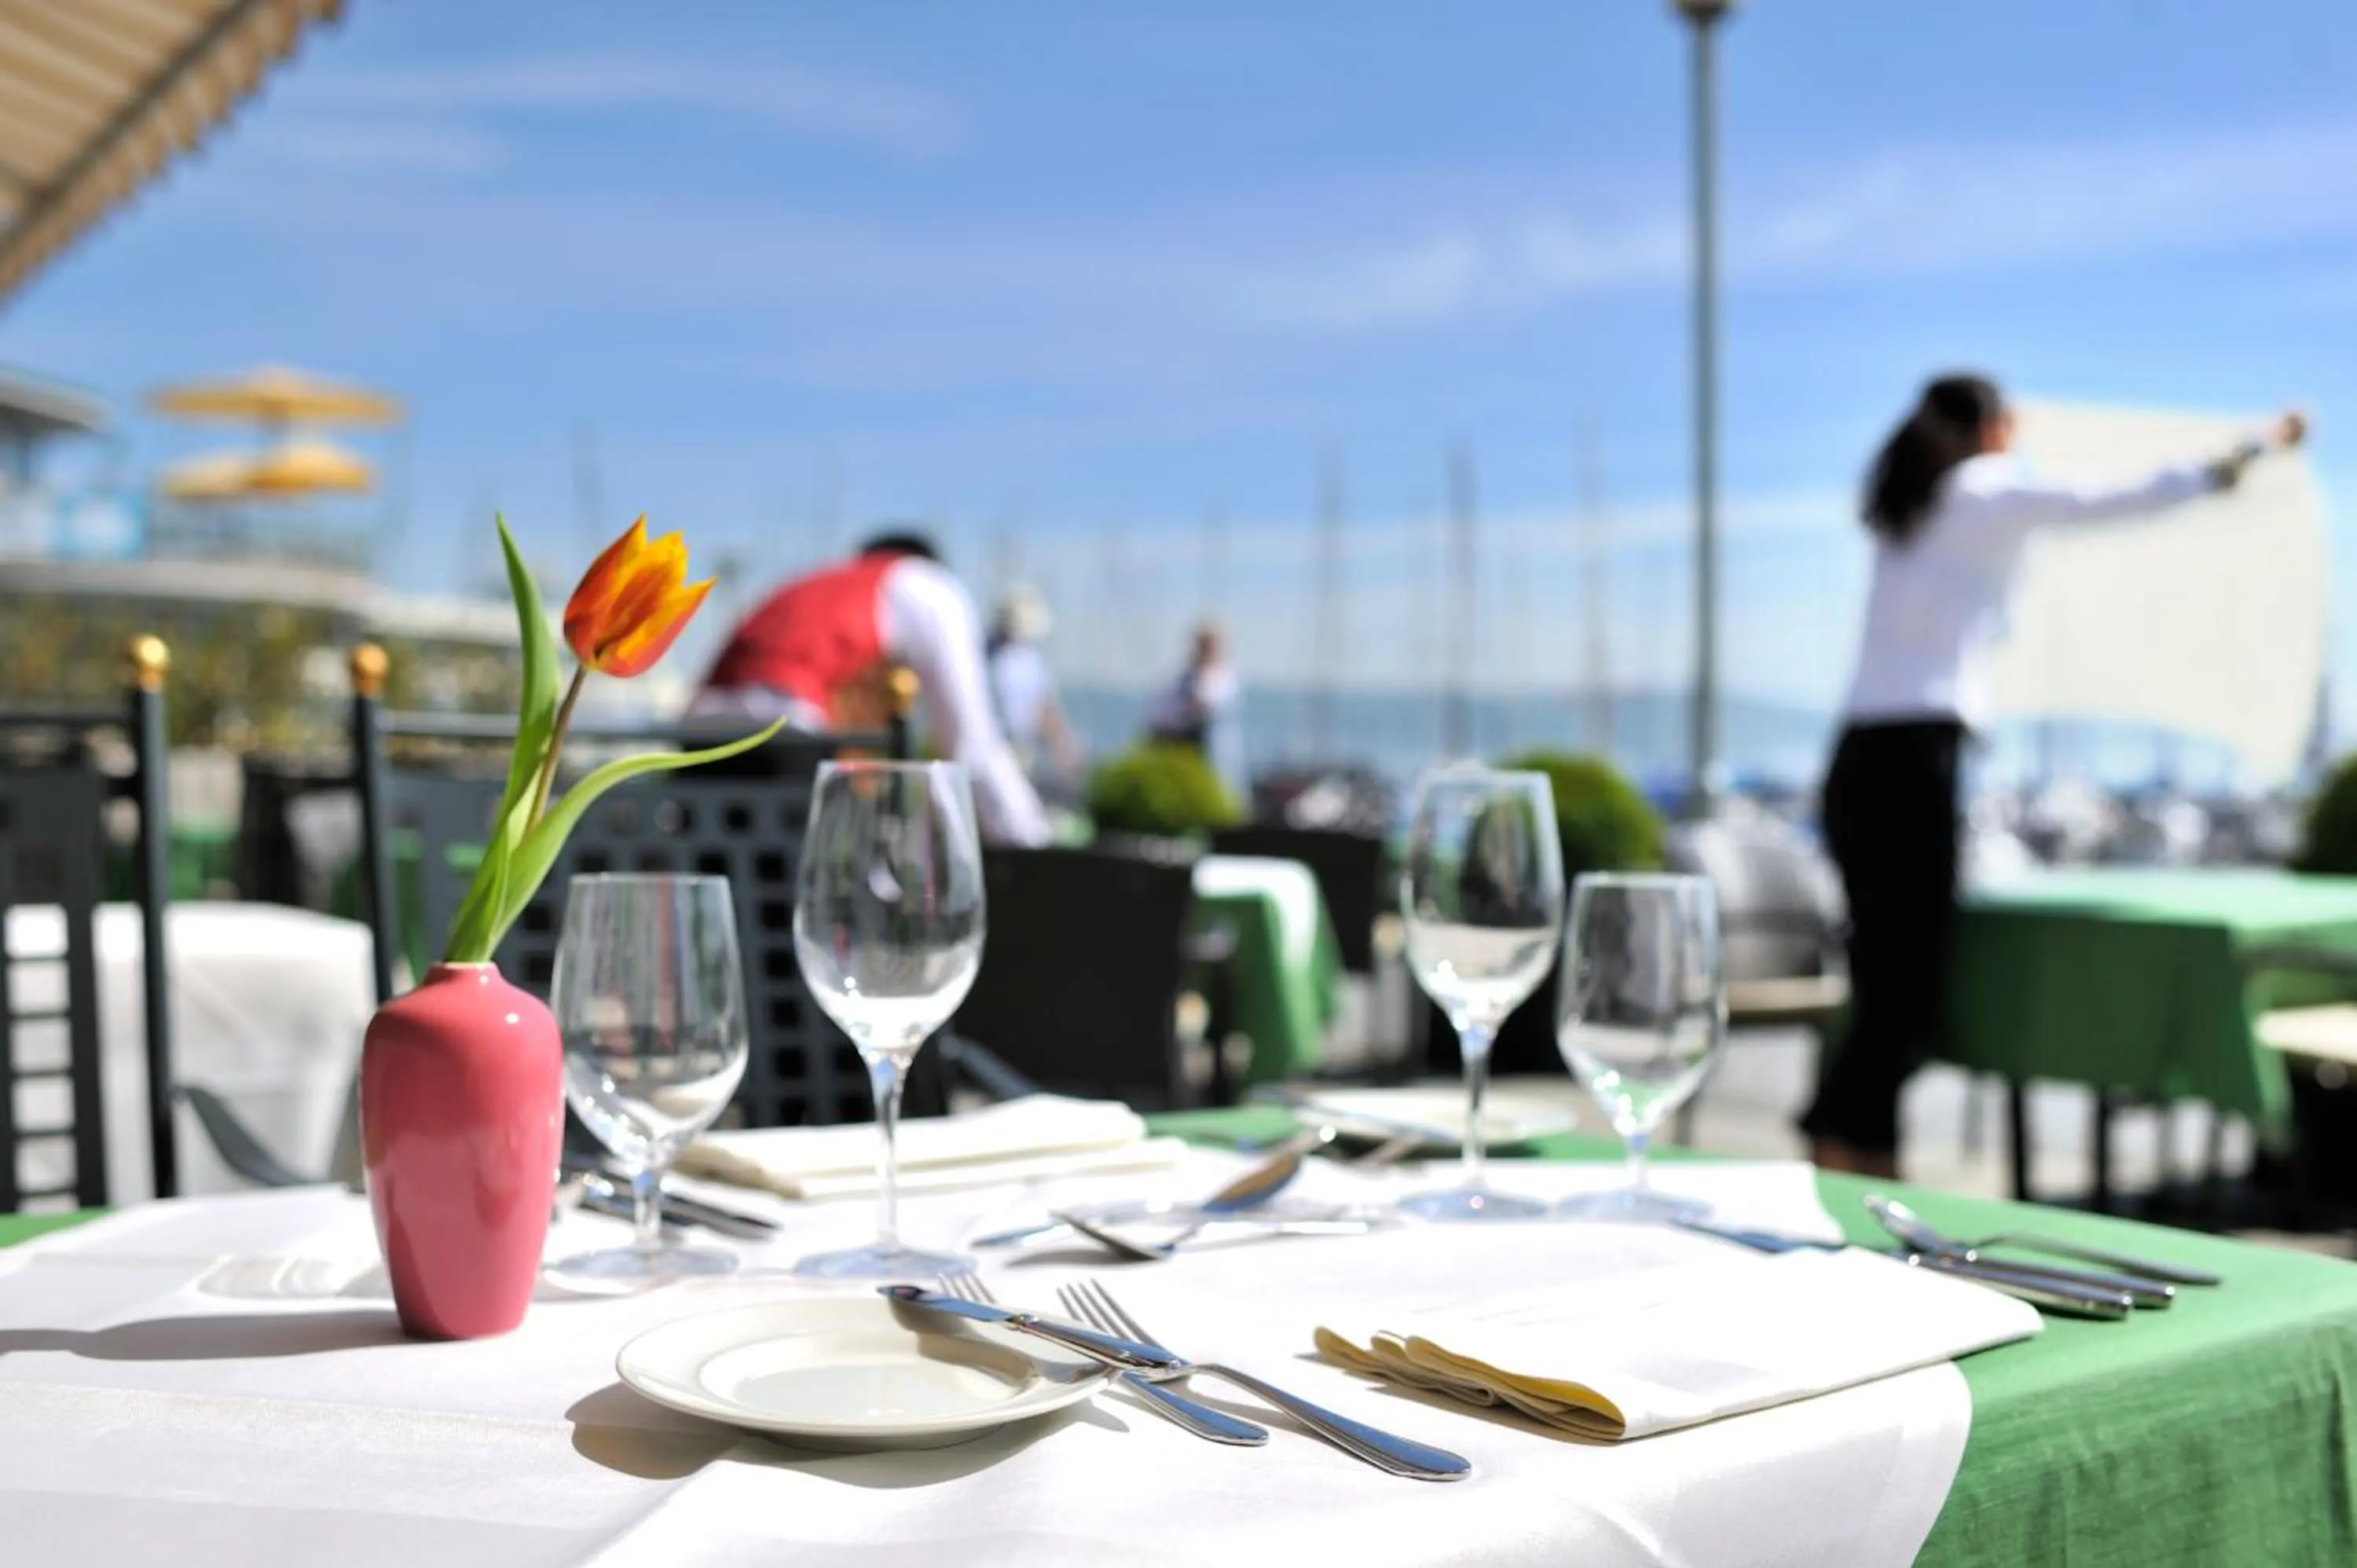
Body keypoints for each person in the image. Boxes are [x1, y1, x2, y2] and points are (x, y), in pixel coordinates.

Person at [1805, 374, 2305, 1178]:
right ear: (1995, 430)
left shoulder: (1917, 503)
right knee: (1905, 981)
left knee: (1887, 977)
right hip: (1909, 761)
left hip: (1863, 760)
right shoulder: (1980, 491)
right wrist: (2244, 451)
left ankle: (1852, 1155)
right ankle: (1851, 1158)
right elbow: (2116, 496)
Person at [692, 531, 1050, 846]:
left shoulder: (819, 582)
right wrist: (1030, 840)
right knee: (805, 895)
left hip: (695, 744)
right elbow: (970, 739)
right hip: (785, 741)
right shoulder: (927, 585)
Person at [987, 584, 1083, 797]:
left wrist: (1066, 752)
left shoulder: (1027, 659)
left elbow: (1045, 711)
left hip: (1018, 751)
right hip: (993, 752)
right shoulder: (984, 654)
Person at [1146, 621, 1244, 790]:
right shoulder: (1184, 676)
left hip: (1211, 751)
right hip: (1181, 746)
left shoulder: (1222, 676)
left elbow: (1206, 705)